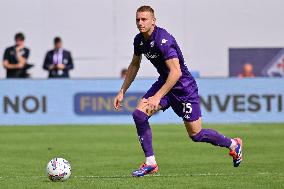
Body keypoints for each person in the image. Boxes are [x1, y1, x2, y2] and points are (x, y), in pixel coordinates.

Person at [113, 5, 243, 177]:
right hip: (164, 84)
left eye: (144, 19)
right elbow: (135, 64)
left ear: (153, 21)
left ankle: (233, 144)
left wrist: (157, 96)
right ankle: (151, 163)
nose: (140, 23)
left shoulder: (163, 40)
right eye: (137, 19)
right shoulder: (139, 40)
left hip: (184, 88)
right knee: (139, 115)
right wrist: (122, 90)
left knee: (196, 134)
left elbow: (176, 72)